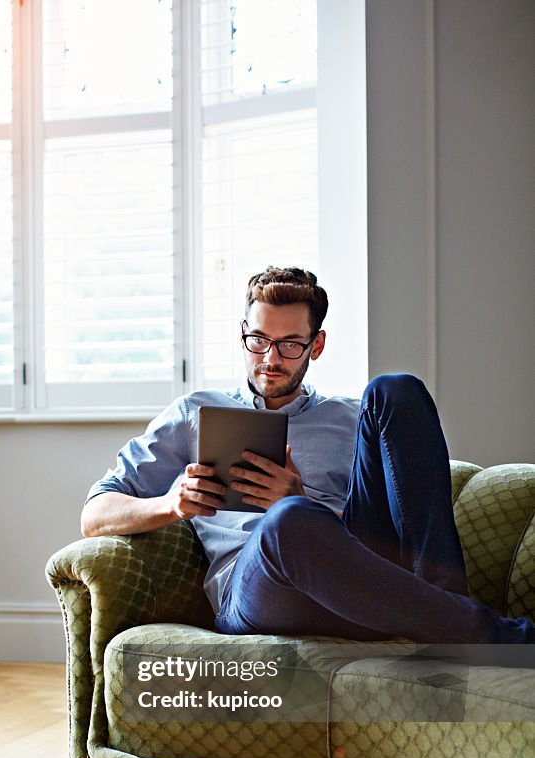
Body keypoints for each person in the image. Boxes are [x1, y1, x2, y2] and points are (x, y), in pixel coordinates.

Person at [82, 266, 533, 645]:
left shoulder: (352, 418)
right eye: (258, 341)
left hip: (358, 580)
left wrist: (299, 499)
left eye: (289, 345)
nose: (270, 360)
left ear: (315, 347)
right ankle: (489, 633)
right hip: (257, 590)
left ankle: (444, 599)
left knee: (396, 389)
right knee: (288, 522)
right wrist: (170, 504)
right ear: (243, 337)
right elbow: (95, 514)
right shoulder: (194, 413)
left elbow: (392, 509)